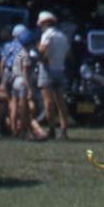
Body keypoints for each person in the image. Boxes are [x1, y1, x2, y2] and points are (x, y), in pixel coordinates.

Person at [35, 10, 72, 138]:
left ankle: (51, 129)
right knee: (61, 101)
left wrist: (40, 52)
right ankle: (64, 129)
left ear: (44, 23)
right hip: (60, 69)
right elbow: (68, 54)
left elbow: (42, 50)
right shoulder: (62, 36)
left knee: (48, 102)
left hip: (47, 70)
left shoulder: (47, 35)